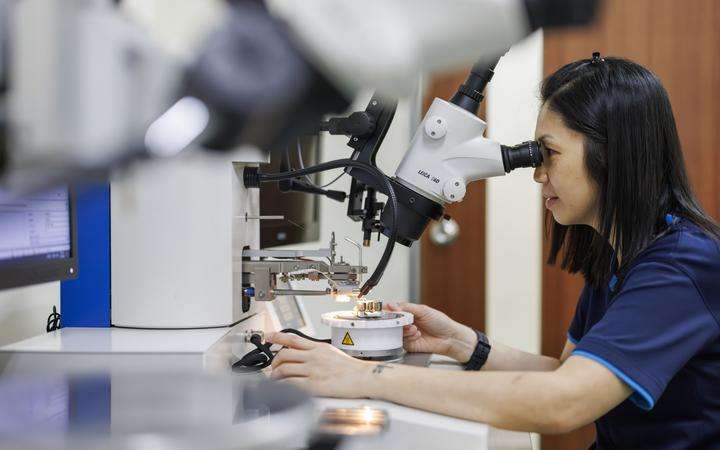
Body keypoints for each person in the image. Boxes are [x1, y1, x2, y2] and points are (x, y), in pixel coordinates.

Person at [267, 54, 720, 449]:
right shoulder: (622, 257)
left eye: (549, 154)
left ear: (610, 154)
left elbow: (565, 402)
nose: (538, 173)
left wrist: (363, 377)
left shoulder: (681, 266)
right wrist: (462, 344)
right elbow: (565, 372)